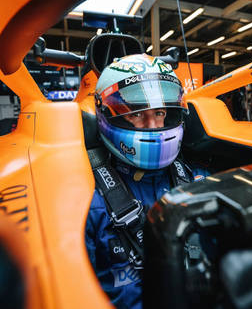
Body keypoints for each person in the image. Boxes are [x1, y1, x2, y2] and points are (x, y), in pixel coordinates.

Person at [85, 53, 209, 309]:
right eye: (136, 114)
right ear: (107, 115)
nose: (153, 126)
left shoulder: (199, 179)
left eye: (161, 112)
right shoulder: (88, 202)